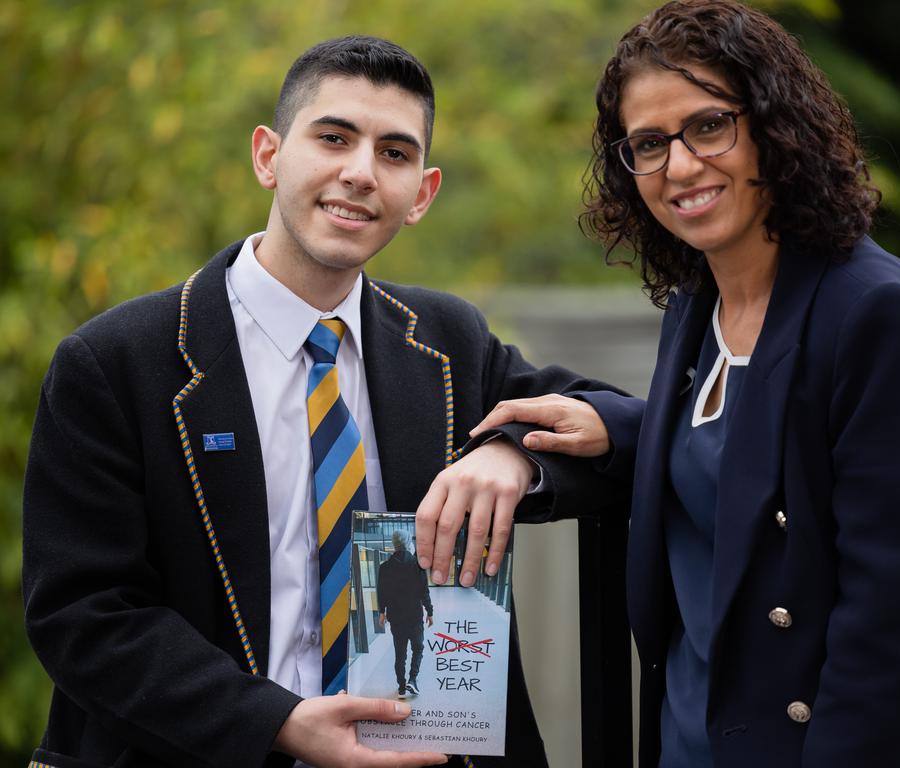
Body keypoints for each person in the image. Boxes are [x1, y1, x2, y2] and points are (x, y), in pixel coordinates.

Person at [22, 36, 617, 768]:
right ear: (268, 156)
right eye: (333, 138)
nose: (360, 173)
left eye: (394, 154)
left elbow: (617, 426)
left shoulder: (448, 343)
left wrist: (515, 455)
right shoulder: (116, 362)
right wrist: (276, 722)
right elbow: (82, 616)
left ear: (422, 195)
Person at [466, 2, 900, 766]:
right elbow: (742, 448)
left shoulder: (870, 310)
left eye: (709, 126)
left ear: (775, 126)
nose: (681, 166)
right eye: (649, 144)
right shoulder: (697, 302)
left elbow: (891, 625)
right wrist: (615, 428)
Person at [377, 530, 433, 698]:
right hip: (415, 618)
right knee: (418, 648)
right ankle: (413, 680)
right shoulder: (417, 565)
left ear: (394, 544)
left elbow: (381, 592)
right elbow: (424, 592)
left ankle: (401, 687)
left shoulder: (384, 567)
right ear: (409, 542)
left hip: (396, 619)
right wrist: (429, 612)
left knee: (399, 653)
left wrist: (382, 612)